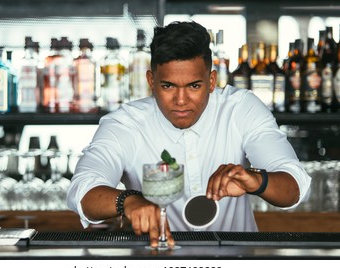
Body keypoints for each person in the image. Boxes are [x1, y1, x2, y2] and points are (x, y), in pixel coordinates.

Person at [67, 21, 311, 248]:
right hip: (157, 266)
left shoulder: (240, 109)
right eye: (168, 86)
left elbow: (295, 186)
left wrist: (256, 181)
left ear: (212, 80)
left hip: (237, 265)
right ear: (151, 81)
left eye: (194, 86)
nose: (181, 101)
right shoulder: (125, 124)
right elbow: (82, 190)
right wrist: (128, 201)